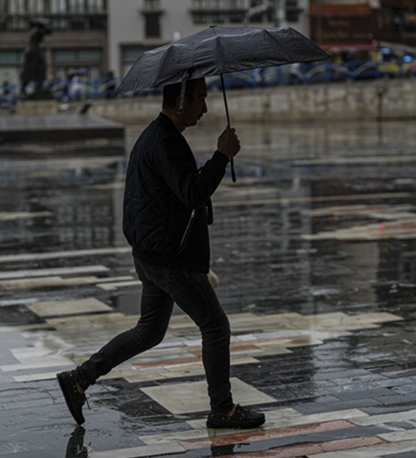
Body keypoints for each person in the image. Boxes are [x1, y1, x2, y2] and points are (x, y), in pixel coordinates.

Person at [57, 77, 265, 430]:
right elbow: (192, 193)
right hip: (169, 257)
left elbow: (177, 192)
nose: (205, 107)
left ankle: (79, 379)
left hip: (152, 253)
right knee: (215, 326)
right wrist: (221, 156)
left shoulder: (156, 136)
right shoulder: (166, 141)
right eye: (200, 98)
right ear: (180, 99)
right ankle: (222, 409)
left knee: (150, 330)